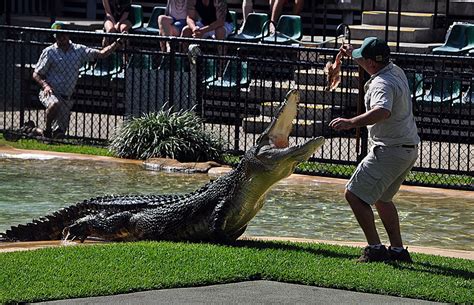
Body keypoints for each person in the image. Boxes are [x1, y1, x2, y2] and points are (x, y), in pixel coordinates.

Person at [328, 37, 420, 263]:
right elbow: (371, 65)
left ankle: (375, 249)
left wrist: (350, 122)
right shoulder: (394, 70)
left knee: (354, 195)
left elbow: (382, 111)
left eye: (363, 57)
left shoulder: (381, 84)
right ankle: (398, 251)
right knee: (382, 199)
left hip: (388, 151)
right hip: (407, 149)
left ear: (371, 62)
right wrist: (353, 54)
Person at [32, 22, 124, 138]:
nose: (61, 38)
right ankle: (47, 129)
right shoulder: (49, 52)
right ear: (55, 37)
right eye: (58, 36)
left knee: (59, 135)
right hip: (51, 92)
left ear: (68, 34)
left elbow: (101, 54)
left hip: (66, 97)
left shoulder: (79, 50)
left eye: (63, 35)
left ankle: (35, 130)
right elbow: (36, 74)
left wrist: (117, 43)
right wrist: (45, 86)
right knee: (54, 103)